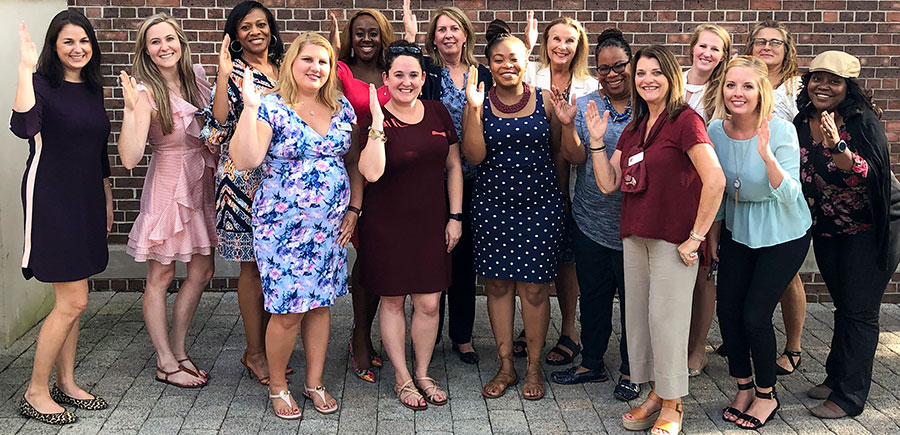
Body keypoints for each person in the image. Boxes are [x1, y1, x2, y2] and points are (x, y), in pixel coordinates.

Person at [590, 45, 725, 435]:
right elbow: (608, 183)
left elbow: (714, 180)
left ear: (671, 77)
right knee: (641, 322)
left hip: (673, 240)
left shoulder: (686, 121)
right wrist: (598, 142)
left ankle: (674, 403)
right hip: (635, 236)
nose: (647, 79)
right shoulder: (633, 128)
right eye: (641, 73)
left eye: (656, 72)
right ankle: (654, 393)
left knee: (667, 322)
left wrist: (696, 237)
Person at [229, 31, 362, 420]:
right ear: (291, 63)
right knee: (288, 310)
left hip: (330, 227)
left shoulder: (342, 109)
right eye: (307, 60)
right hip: (282, 228)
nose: (315, 68)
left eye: (323, 61)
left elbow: (352, 163)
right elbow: (247, 158)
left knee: (320, 306)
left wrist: (354, 208)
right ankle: (277, 384)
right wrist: (249, 109)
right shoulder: (272, 107)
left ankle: (314, 381)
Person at [11, 10, 111, 425]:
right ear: (55, 46)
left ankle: (65, 384)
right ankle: (35, 392)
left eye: (84, 40)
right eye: (68, 41)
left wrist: (106, 193)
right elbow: (22, 125)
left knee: (73, 302)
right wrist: (24, 68)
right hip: (52, 198)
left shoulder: (91, 89)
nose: (78, 48)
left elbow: (98, 148)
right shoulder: (41, 86)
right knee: (74, 300)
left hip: (87, 197)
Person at [462, 19, 566, 401]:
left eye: (515, 58)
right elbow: (473, 157)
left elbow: (559, 153)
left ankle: (534, 366)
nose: (507, 64)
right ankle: (506, 365)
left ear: (527, 61)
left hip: (540, 207)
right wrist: (473, 112)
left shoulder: (544, 99)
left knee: (536, 291)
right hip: (492, 208)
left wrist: (559, 200)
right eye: (498, 59)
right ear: (488, 63)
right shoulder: (479, 102)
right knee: (498, 287)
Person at [357, 40, 463, 410]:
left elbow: (453, 167)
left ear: (423, 78)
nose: (406, 82)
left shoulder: (437, 112)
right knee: (392, 299)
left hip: (432, 222)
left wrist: (456, 216)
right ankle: (402, 377)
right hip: (385, 225)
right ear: (385, 78)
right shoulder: (372, 117)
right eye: (398, 75)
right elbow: (370, 171)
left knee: (430, 302)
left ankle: (422, 372)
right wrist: (374, 122)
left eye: (413, 75)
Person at [708, 56, 812, 429]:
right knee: (729, 312)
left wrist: (768, 156)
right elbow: (716, 188)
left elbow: (791, 196)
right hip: (739, 229)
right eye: (731, 85)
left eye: (747, 86)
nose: (738, 93)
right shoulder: (715, 130)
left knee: (755, 315)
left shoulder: (781, 130)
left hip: (783, 232)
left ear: (761, 91)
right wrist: (714, 231)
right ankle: (743, 387)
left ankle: (767, 394)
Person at [797, 50, 900, 419]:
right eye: (817, 77)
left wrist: (836, 147)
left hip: (872, 226)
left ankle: (849, 397)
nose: (823, 86)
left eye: (834, 81)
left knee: (860, 311)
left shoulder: (862, 122)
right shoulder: (801, 119)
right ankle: (836, 376)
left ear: (848, 87)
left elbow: (867, 176)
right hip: (829, 227)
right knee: (843, 305)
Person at [118, 13, 215, 389]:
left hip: (200, 179)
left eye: (169, 38)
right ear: (146, 49)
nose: (164, 47)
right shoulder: (144, 92)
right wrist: (129, 111)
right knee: (161, 276)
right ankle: (163, 360)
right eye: (155, 41)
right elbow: (128, 158)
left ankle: (179, 350)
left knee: (203, 272)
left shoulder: (199, 80)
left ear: (181, 41)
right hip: (168, 185)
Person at [200, 0, 291, 387]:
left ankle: (272, 347)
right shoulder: (234, 70)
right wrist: (222, 77)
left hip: (283, 177)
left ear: (271, 28)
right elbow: (217, 127)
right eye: (245, 27)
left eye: (260, 24)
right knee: (252, 266)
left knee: (277, 262)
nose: (255, 32)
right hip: (242, 179)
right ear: (235, 36)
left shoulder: (287, 67)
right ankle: (255, 352)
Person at [547, 28, 639, 401]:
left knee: (634, 303)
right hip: (591, 220)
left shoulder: (649, 104)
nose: (612, 73)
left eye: (619, 65)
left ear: (632, 64)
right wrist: (569, 124)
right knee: (595, 296)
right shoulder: (587, 104)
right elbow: (576, 158)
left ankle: (634, 369)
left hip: (635, 226)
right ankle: (592, 362)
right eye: (604, 68)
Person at [401, 0, 491, 365]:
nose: (449, 34)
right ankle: (428, 329)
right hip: (430, 179)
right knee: (429, 255)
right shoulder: (426, 73)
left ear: (465, 34)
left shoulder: (481, 74)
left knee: (464, 257)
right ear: (433, 39)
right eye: (441, 29)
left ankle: (463, 335)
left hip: (474, 178)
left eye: (454, 28)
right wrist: (409, 40)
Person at [519, 14, 599, 367]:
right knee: (530, 260)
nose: (562, 46)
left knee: (567, 262)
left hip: (576, 184)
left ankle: (569, 332)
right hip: (534, 182)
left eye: (569, 40)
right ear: (545, 43)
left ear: (578, 45)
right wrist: (527, 46)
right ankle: (529, 328)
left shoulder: (590, 84)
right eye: (555, 39)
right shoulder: (530, 78)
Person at [329, 8, 392, 383]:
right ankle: (362, 338)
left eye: (373, 33)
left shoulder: (392, 69)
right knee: (366, 255)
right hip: (355, 171)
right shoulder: (341, 72)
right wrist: (336, 49)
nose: (365, 39)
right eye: (359, 33)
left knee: (382, 254)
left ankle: (363, 332)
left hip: (391, 173)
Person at [745, 20, 808, 377]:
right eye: (760, 42)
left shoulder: (795, 89)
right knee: (754, 272)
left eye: (775, 43)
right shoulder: (740, 80)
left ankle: (794, 346)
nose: (767, 47)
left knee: (787, 275)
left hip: (783, 190)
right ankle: (754, 335)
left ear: (787, 50)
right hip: (747, 193)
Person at [682, 23, 731, 377]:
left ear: (723, 56)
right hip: (670, 191)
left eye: (716, 49)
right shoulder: (673, 81)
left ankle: (696, 348)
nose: (708, 54)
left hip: (705, 193)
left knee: (704, 273)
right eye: (703, 46)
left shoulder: (724, 94)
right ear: (692, 48)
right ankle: (673, 343)